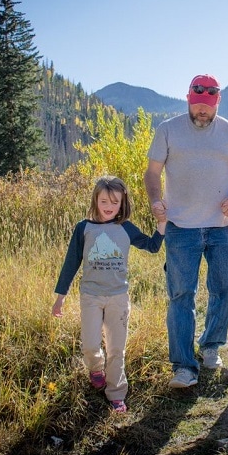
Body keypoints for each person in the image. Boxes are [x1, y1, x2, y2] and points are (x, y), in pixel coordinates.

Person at [144, 73, 228, 388]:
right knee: (181, 295)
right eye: (197, 106)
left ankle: (210, 346)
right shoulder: (168, 130)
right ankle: (184, 367)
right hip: (181, 228)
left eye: (208, 107)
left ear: (216, 103)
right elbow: (152, 173)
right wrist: (155, 200)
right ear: (189, 100)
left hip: (223, 228)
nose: (202, 112)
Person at [52, 175, 166, 413]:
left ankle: (116, 394)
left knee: (116, 349)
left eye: (115, 202)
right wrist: (60, 297)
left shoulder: (125, 227)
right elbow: (70, 263)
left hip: (118, 297)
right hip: (91, 296)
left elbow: (152, 246)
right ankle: (96, 369)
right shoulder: (84, 228)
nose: (109, 207)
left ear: (122, 203)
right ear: (96, 199)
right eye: (104, 201)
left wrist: (162, 225)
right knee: (90, 346)